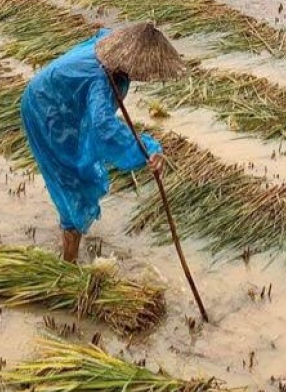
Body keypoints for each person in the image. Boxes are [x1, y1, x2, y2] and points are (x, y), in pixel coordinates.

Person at [20, 23, 184, 262]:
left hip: (55, 98)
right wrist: (148, 148)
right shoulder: (101, 82)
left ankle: (68, 247)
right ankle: (69, 266)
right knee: (73, 181)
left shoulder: (109, 45)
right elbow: (104, 130)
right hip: (45, 108)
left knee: (74, 179)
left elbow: (103, 32)